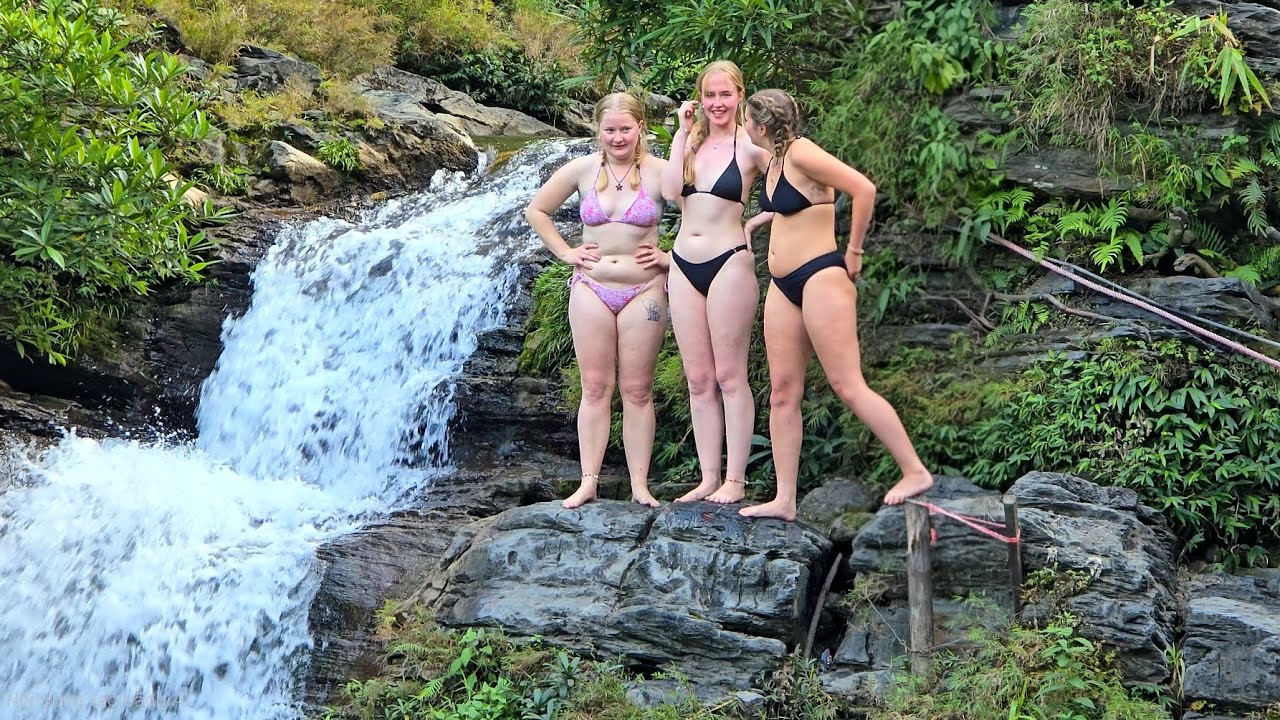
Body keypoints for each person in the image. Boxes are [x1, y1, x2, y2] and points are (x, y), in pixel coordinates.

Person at [738, 88, 934, 521]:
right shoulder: (773, 158)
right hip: (782, 284)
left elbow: (862, 189)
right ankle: (784, 499)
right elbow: (797, 205)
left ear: (762, 125)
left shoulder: (803, 152)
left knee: (847, 385)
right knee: (783, 393)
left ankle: (914, 470)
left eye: (746, 119)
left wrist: (855, 251)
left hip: (821, 276)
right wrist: (759, 218)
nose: (742, 126)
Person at [525, 92, 670, 509]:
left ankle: (640, 485)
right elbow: (537, 210)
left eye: (625, 128)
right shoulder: (582, 170)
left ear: (640, 127)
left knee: (638, 389)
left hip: (644, 290)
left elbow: (705, 218)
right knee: (595, 386)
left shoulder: (660, 174)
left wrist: (669, 257)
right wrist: (566, 252)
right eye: (610, 129)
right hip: (591, 287)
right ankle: (588, 481)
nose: (618, 137)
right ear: (598, 130)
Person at [660, 60, 772, 505]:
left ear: (740, 95)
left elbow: (796, 186)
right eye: (710, 95)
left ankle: (736, 479)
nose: (717, 103)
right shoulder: (691, 143)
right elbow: (670, 191)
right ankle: (708, 476)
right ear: (699, 99)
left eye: (725, 95)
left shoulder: (750, 148)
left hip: (728, 262)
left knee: (729, 375)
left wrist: (757, 221)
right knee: (698, 379)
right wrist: (680, 134)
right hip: (683, 262)